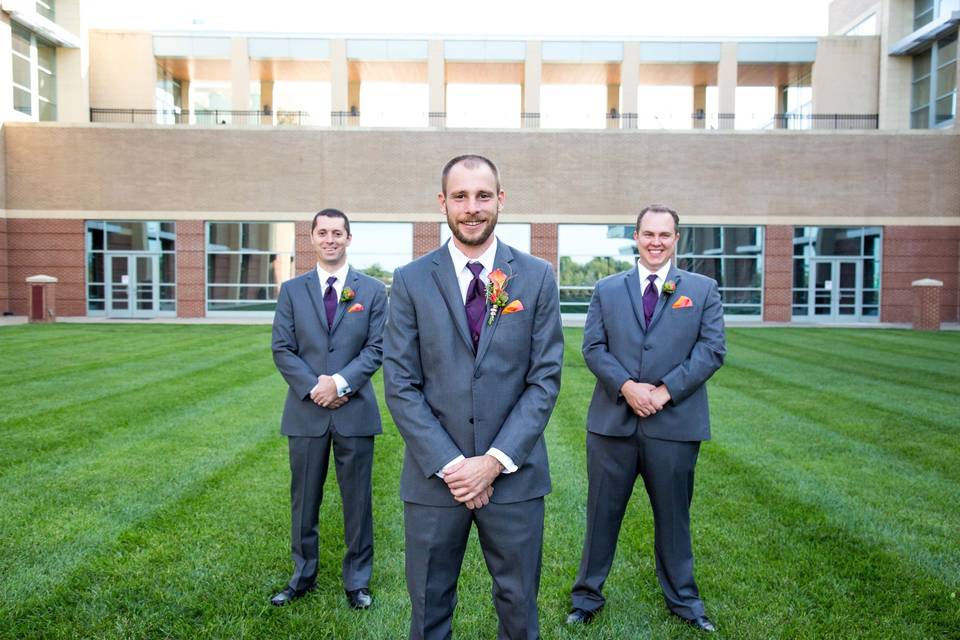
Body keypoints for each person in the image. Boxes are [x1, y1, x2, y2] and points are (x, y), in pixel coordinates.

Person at [384, 154, 564, 640]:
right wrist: (454, 465)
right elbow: (400, 383)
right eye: (460, 196)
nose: (472, 207)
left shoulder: (537, 276)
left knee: (518, 602)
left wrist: (493, 462)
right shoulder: (410, 280)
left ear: (500, 200)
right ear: (442, 202)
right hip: (434, 481)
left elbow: (544, 379)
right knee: (429, 603)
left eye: (483, 195)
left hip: (514, 479)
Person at [566, 204, 726, 633]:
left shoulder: (703, 289)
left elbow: (712, 350)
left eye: (665, 235)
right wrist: (627, 387)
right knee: (601, 516)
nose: (656, 242)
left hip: (674, 426)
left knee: (674, 520)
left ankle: (685, 602)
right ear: (635, 237)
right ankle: (586, 598)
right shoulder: (607, 288)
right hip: (612, 426)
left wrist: (664, 390)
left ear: (677, 239)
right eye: (648, 234)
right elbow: (593, 347)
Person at [270, 208, 387, 610]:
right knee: (304, 501)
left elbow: (377, 348)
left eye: (338, 233)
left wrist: (339, 383)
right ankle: (302, 576)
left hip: (354, 411)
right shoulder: (292, 290)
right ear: (313, 239)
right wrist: (314, 388)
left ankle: (358, 581)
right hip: (306, 413)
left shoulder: (371, 291)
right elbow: (282, 348)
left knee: (358, 501)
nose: (331, 239)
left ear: (349, 238)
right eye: (323, 233)